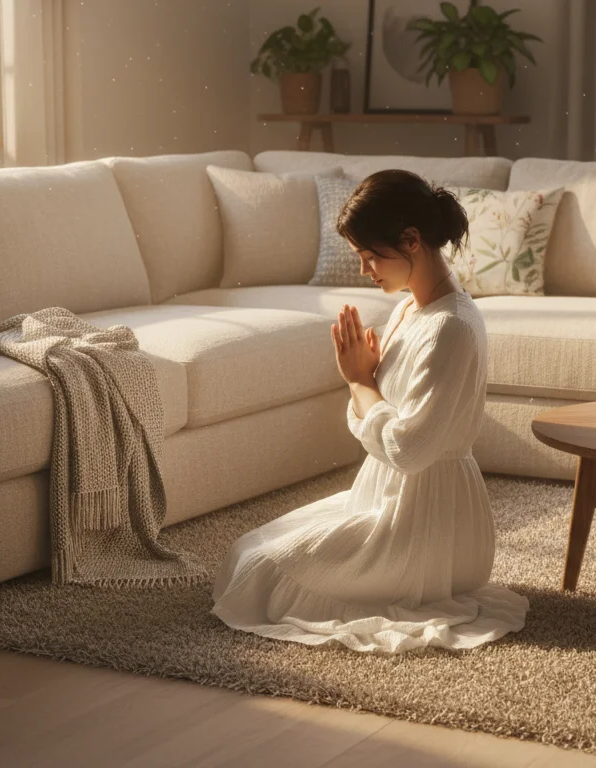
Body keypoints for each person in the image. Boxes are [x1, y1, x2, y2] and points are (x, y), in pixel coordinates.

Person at [210, 169, 529, 653]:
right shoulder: (408, 311)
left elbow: (406, 449)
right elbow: (372, 418)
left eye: (369, 256)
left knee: (265, 575)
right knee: (247, 553)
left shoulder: (452, 327)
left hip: (428, 519)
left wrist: (360, 381)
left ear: (411, 240)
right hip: (386, 495)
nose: (365, 271)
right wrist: (364, 385)